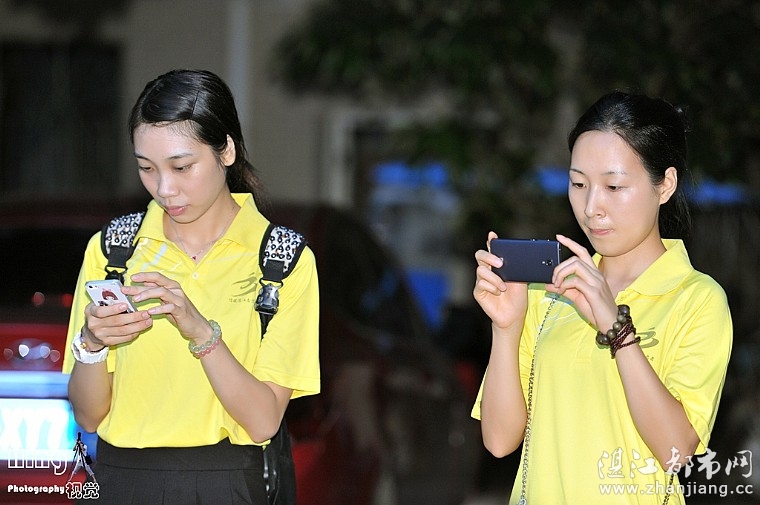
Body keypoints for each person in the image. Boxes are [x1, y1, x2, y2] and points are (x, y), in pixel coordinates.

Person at [63, 69, 320, 504]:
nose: (165, 188)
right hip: (121, 481)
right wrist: (92, 343)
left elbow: (263, 422)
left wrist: (200, 331)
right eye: (146, 168)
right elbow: (88, 417)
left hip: (229, 484)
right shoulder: (112, 251)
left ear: (226, 151)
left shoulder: (281, 261)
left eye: (181, 167)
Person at [471, 91, 732, 504]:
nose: (592, 207)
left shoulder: (696, 300)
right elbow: (499, 441)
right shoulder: (548, 292)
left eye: (613, 186)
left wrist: (616, 328)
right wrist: (506, 328)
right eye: (578, 184)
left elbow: (676, 451)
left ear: (665, 185)